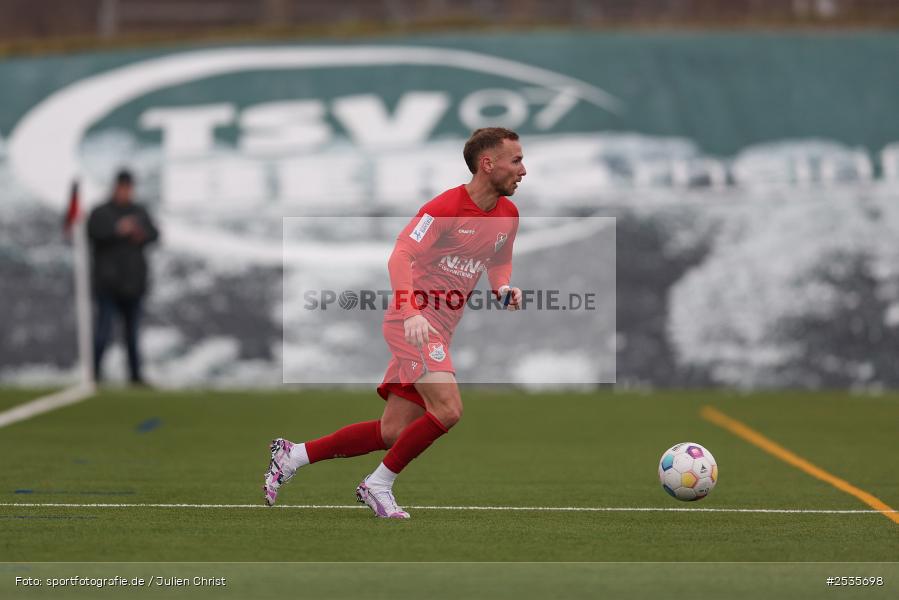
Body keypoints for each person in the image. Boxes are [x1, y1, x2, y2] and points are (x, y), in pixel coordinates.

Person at [264, 128, 526, 518]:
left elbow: (499, 259)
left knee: (392, 432)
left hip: (440, 326)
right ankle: (378, 484)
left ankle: (294, 455)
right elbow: (400, 255)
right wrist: (410, 311)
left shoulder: (508, 215)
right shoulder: (443, 209)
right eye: (516, 160)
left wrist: (503, 287)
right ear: (488, 164)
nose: (523, 170)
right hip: (415, 322)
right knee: (450, 409)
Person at [87, 169, 159, 385]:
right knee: (104, 331)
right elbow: (93, 233)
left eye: (129, 188)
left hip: (133, 285)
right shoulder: (101, 212)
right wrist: (118, 229)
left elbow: (155, 235)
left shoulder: (140, 212)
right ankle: (94, 375)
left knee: (132, 335)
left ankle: (135, 376)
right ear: (115, 187)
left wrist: (140, 233)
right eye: (122, 187)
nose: (125, 192)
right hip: (107, 284)